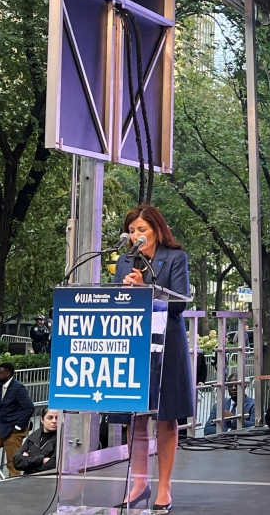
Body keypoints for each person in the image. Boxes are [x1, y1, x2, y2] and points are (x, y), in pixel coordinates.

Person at [115, 204, 192, 513]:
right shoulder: (124, 261)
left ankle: (164, 485)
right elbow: (118, 304)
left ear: (157, 230)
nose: (136, 235)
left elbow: (178, 304)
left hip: (167, 344)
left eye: (142, 230)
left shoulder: (175, 258)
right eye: (132, 230)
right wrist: (124, 291)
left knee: (166, 417)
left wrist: (146, 288)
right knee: (137, 418)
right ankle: (139, 482)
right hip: (136, 343)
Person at [13, 408, 59, 475]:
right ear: (42, 420)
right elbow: (17, 461)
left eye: (57, 418)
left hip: (49, 479)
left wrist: (29, 459)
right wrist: (41, 459)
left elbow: (53, 465)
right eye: (50, 418)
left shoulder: (61, 437)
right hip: (29, 479)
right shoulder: (34, 436)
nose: (54, 421)